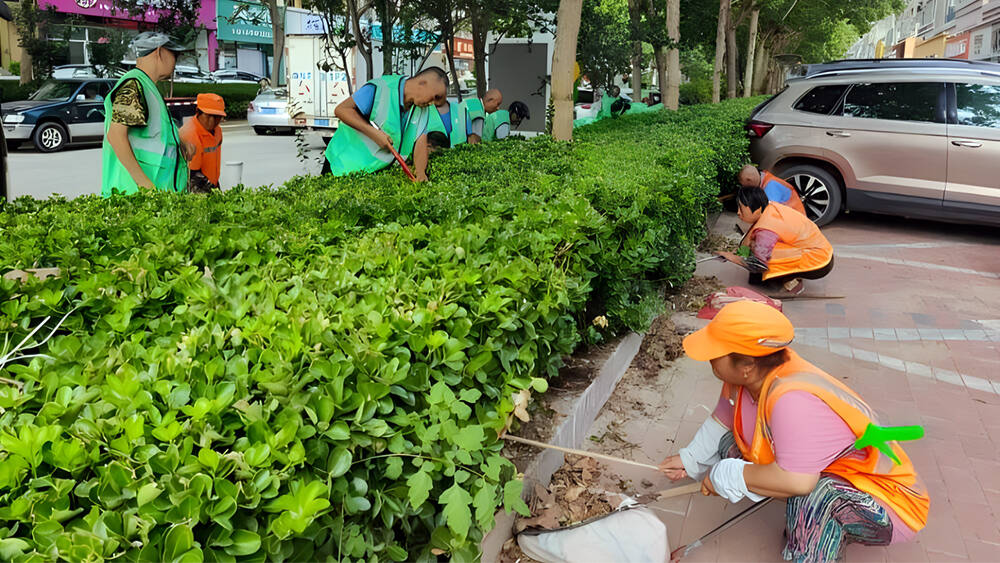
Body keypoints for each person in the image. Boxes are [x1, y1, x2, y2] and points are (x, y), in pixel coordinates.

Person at [660, 301, 929, 563]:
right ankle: (810, 524)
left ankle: (815, 548)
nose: (709, 357)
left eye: (716, 352)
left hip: (886, 501)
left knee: (815, 497)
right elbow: (724, 418)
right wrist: (690, 459)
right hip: (829, 472)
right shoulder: (749, 377)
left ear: (747, 365)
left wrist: (727, 474)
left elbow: (799, 482)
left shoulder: (792, 399)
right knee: (731, 445)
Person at [102, 32, 192, 196]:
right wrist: (146, 187)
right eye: (174, 56)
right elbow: (116, 135)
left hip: (155, 196)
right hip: (137, 197)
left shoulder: (146, 87)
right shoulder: (134, 85)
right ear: (160, 52)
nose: (175, 63)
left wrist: (180, 143)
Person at [323, 67, 448, 180]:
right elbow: (341, 110)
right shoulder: (381, 88)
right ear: (422, 83)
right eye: (435, 97)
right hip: (342, 165)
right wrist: (374, 134)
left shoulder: (422, 109)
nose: (433, 103)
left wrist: (421, 173)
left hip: (371, 172)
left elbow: (421, 139)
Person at [717, 187, 834, 295]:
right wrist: (739, 252)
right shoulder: (769, 208)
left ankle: (791, 283)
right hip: (823, 254)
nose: (738, 212)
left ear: (757, 209)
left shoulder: (766, 230)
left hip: (819, 263)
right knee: (756, 248)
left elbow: (758, 264)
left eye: (741, 209)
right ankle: (789, 274)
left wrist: (732, 258)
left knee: (761, 255)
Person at [179, 93, 226, 193]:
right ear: (198, 112)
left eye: (217, 116)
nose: (212, 121)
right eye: (208, 116)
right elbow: (192, 174)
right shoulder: (190, 134)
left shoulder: (217, 131)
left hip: (211, 183)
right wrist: (213, 190)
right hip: (196, 186)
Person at [738, 164, 807, 216]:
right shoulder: (765, 178)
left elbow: (770, 212)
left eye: (744, 185)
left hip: (795, 221)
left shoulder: (770, 186)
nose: (745, 187)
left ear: (749, 180)